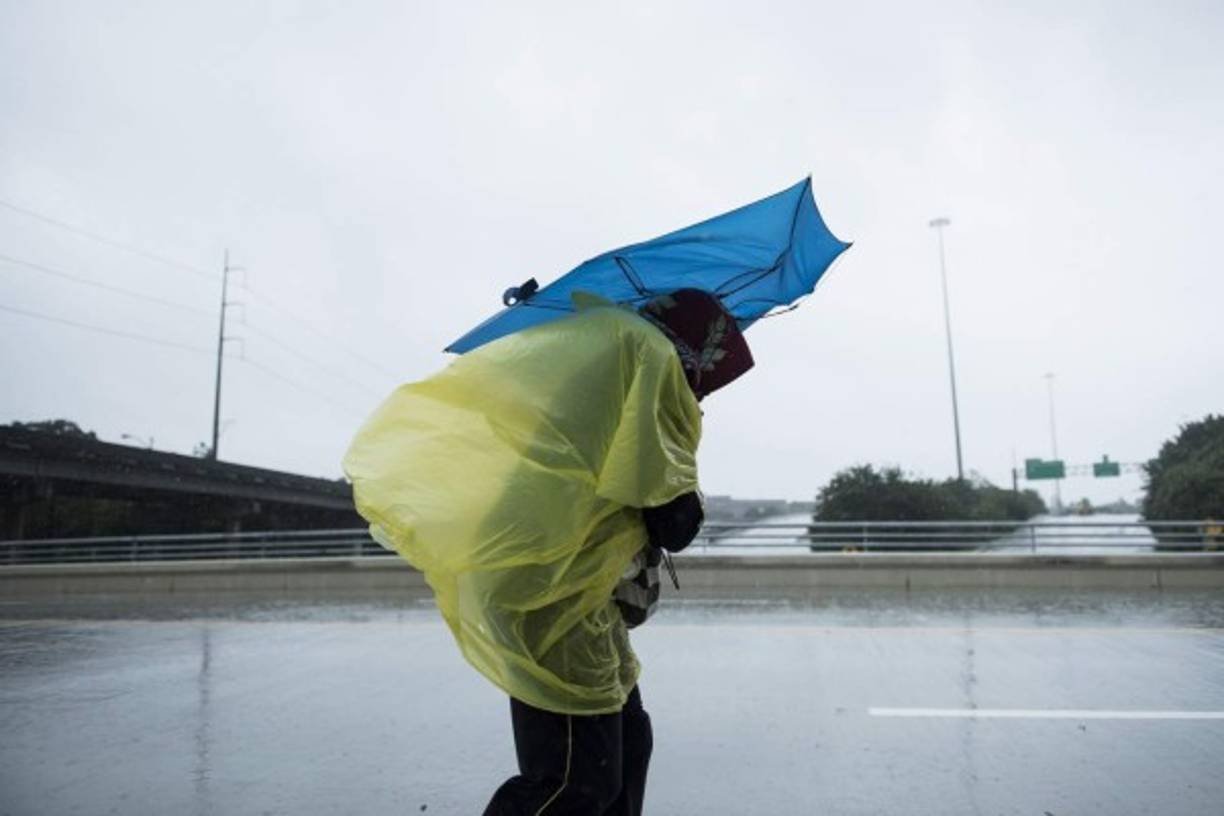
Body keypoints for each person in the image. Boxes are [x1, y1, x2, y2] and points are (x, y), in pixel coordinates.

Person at [342, 288, 753, 815]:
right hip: (552, 603)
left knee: (628, 743)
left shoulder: (601, 383)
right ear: (695, 357)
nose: (699, 398)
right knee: (572, 783)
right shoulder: (648, 368)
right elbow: (674, 522)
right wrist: (685, 460)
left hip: (572, 597)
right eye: (703, 385)